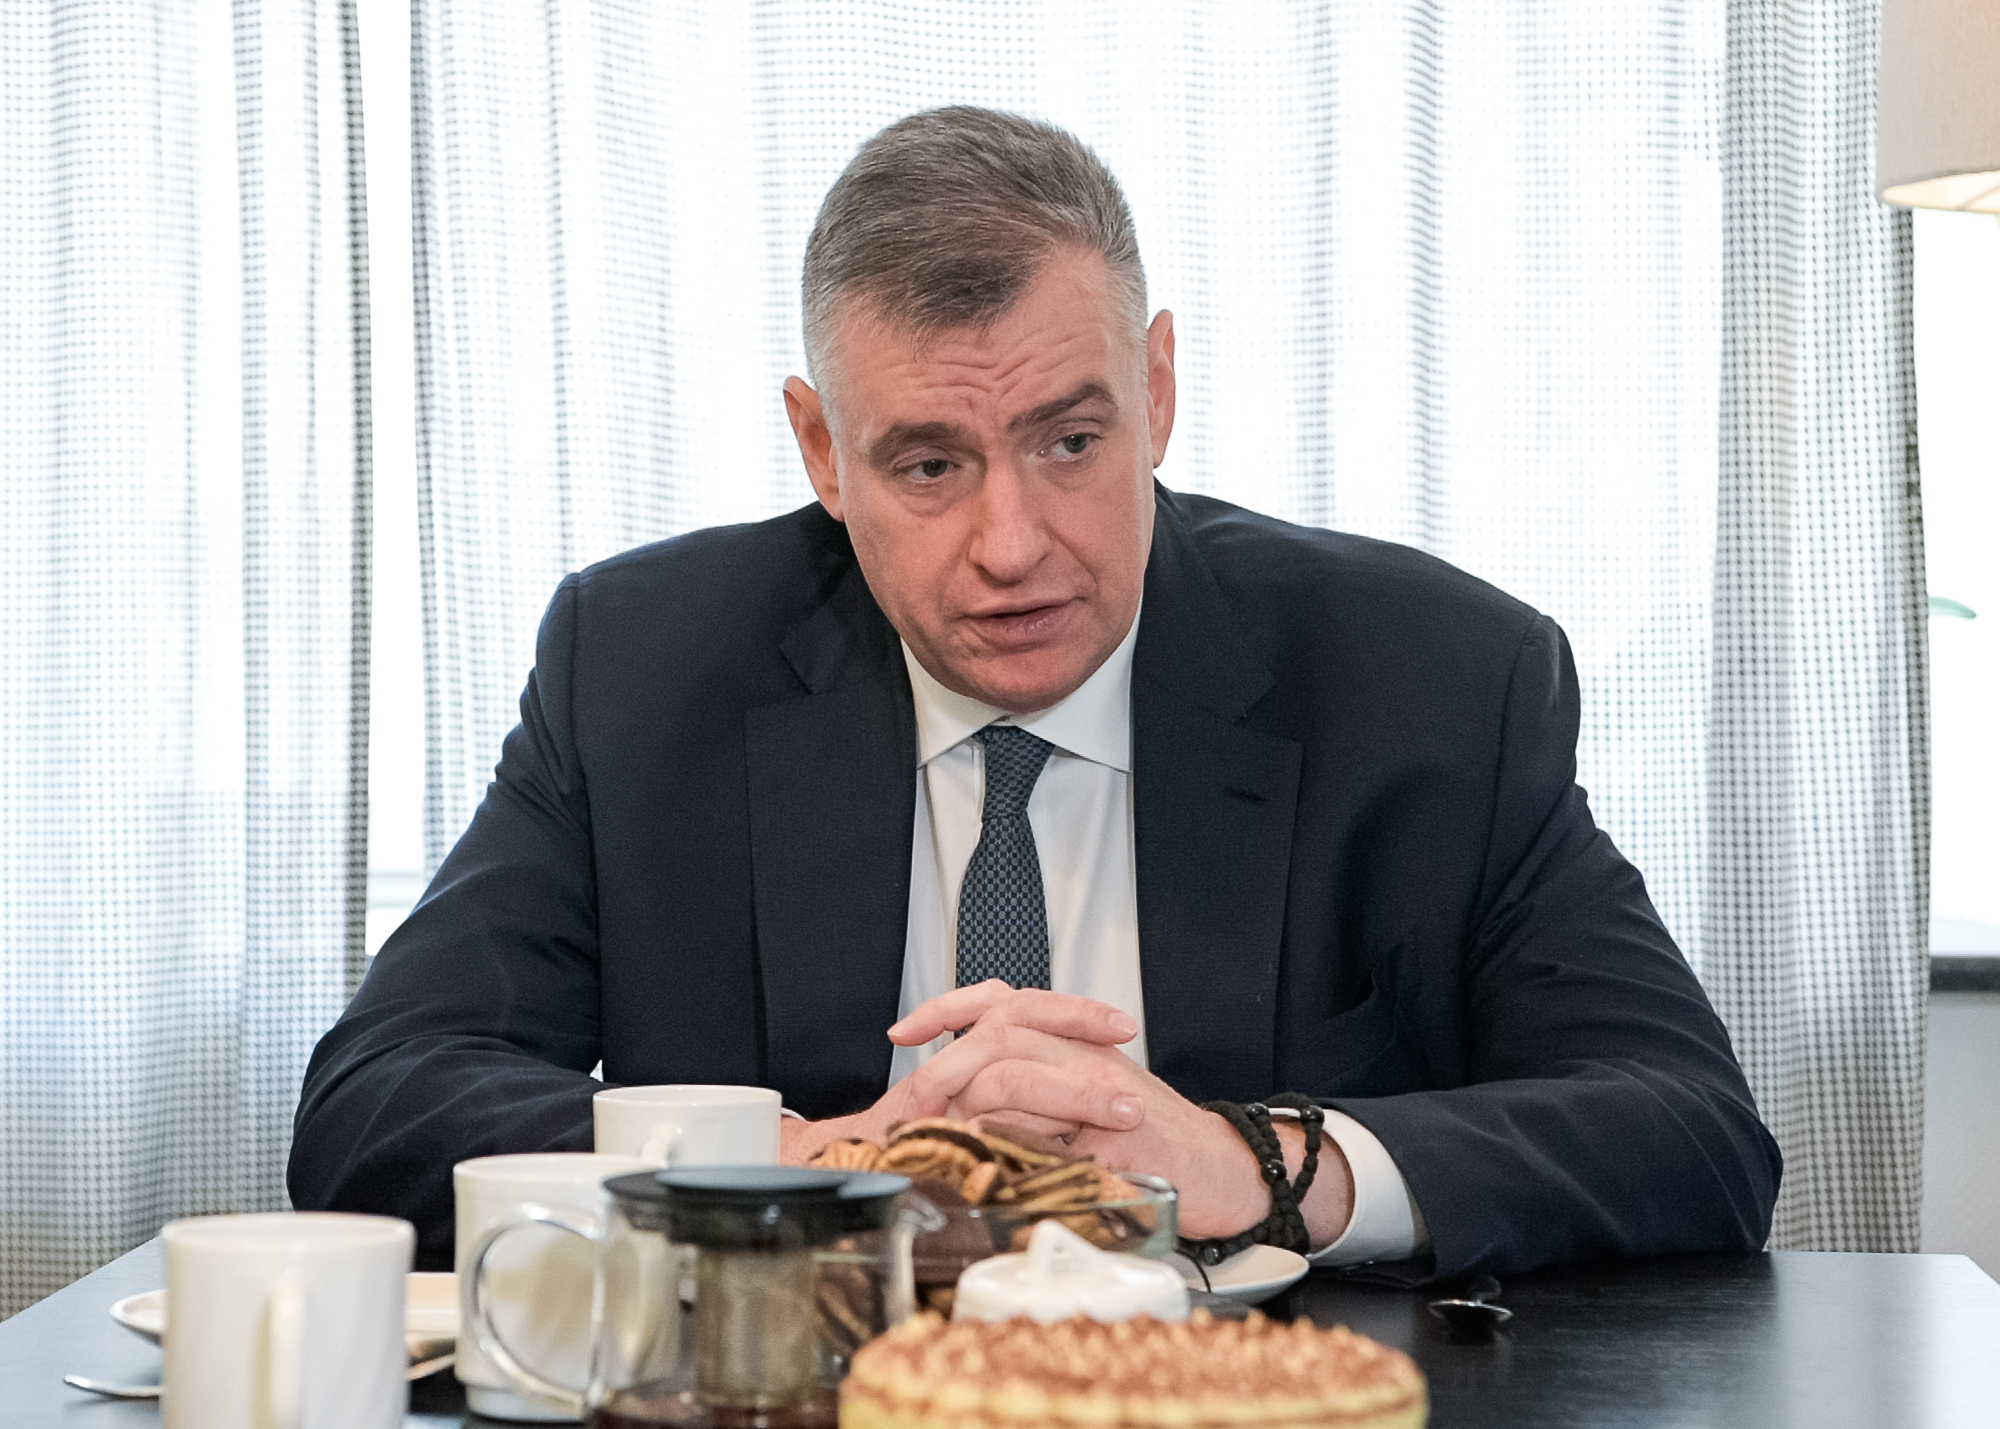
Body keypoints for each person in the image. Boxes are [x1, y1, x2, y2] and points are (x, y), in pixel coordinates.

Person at [289, 106, 1780, 1280]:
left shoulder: (1429, 680)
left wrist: (1261, 1165)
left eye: (1071, 442)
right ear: (822, 451)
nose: (1012, 545)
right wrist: (800, 1166)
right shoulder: (644, 667)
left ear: (1158, 390)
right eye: (930, 463)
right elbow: (377, 1100)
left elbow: (1695, 1133)